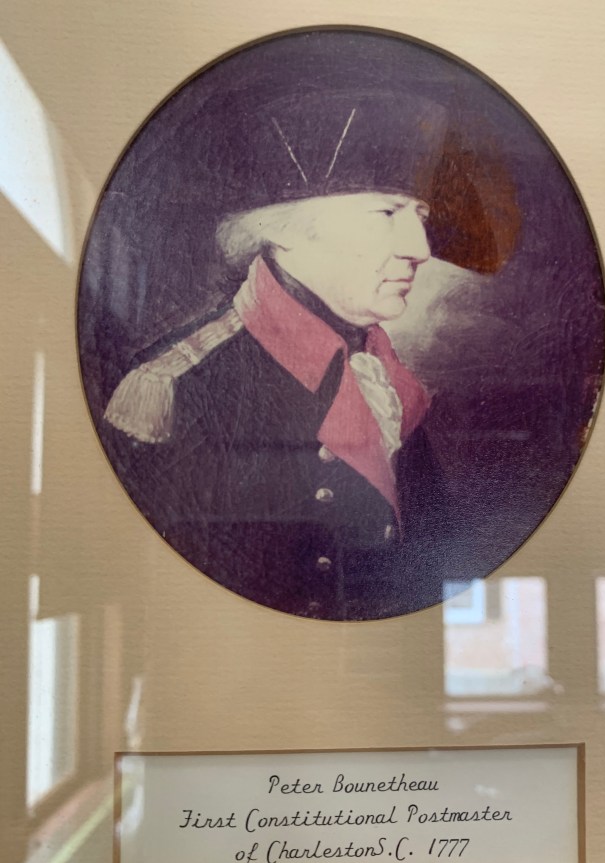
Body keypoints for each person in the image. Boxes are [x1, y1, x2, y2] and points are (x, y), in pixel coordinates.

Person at [98, 90, 520, 620]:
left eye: (420, 214)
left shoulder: (383, 375)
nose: (419, 248)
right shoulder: (176, 388)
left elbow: (431, 567)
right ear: (283, 228)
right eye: (386, 212)